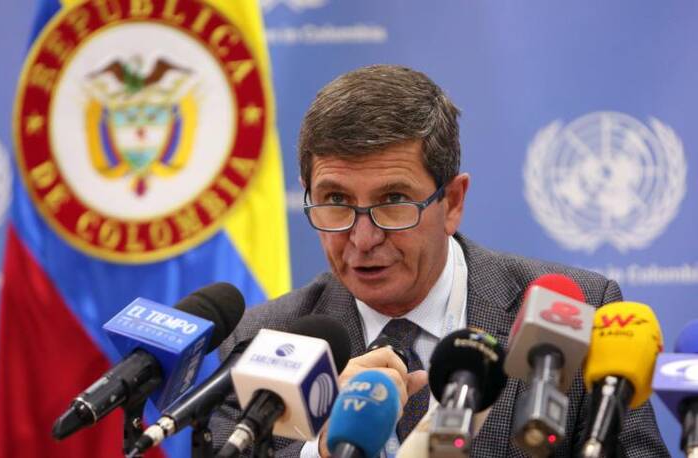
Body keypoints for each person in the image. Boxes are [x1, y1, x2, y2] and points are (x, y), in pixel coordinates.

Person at [209, 64, 668, 457]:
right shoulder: (260, 345)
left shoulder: (582, 313)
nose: (362, 238)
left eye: (393, 199)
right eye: (335, 200)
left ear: (451, 202)